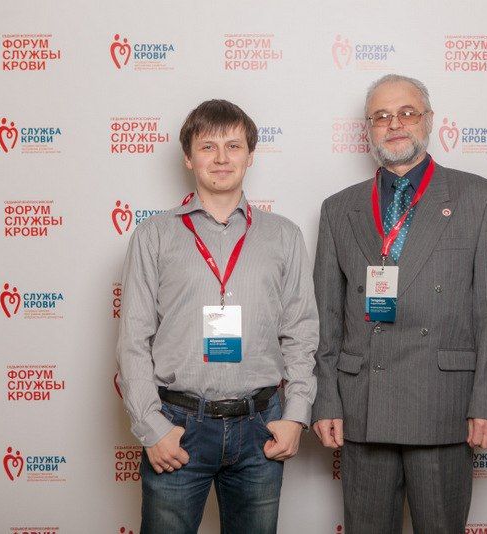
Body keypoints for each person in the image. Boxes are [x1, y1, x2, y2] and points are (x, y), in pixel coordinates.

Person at [312, 74, 487, 533]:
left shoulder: (479, 198)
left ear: (429, 120)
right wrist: (325, 399)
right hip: (364, 405)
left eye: (407, 113)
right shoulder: (338, 208)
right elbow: (326, 318)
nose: (395, 124)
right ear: (368, 129)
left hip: (443, 405)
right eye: (381, 116)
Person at [116, 99, 319, 534]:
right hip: (177, 425)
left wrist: (296, 414)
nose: (222, 158)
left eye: (234, 146)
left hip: (261, 427)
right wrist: (151, 427)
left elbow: (301, 333)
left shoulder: (284, 236)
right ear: (188, 158)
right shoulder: (153, 236)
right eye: (208, 147)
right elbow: (133, 340)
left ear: (250, 155)